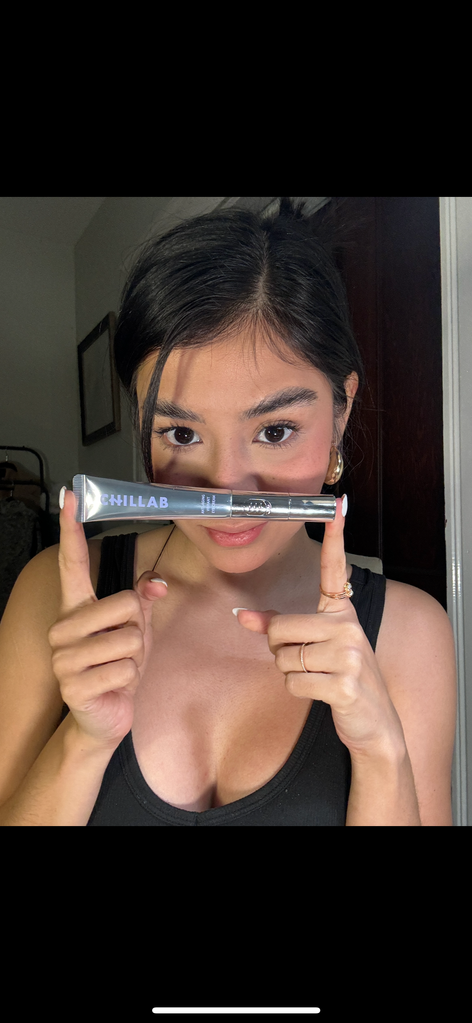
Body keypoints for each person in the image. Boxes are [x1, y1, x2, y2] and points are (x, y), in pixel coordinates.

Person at [0, 198, 456, 826]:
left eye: (275, 431)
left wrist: (382, 753)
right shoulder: (49, 598)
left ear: (341, 411)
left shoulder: (412, 634)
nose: (226, 486)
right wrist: (83, 742)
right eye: (181, 434)